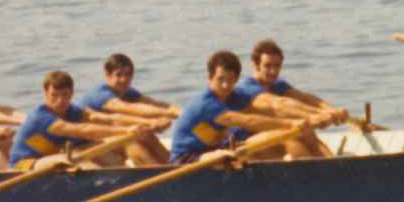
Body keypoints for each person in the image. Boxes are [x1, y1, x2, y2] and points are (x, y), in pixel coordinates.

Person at [168, 50, 304, 164]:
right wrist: (290, 124)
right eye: (220, 79)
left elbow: (266, 108)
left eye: (230, 80)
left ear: (237, 80)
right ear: (210, 77)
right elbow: (248, 121)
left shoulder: (234, 97)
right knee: (228, 155)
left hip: (215, 149)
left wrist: (307, 117)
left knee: (278, 142)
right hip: (185, 159)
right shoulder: (206, 103)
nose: (225, 86)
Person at [235, 39, 347, 159]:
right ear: (255, 64)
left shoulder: (277, 84)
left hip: (264, 139)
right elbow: (279, 104)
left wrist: (331, 111)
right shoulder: (246, 87)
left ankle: (332, 165)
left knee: (307, 133)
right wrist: (316, 115)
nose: (273, 71)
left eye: (277, 66)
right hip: (241, 145)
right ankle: (312, 168)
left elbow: (305, 98)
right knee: (289, 137)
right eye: (267, 66)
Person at [8, 71, 145, 169]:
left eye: (65, 95)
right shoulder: (41, 117)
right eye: (54, 95)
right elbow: (83, 130)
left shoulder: (73, 111)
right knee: (74, 161)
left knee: (114, 154)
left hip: (52, 157)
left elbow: (101, 118)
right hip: (25, 164)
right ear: (45, 93)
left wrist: (139, 125)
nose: (60, 101)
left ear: (72, 93)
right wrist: (125, 130)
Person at [79, 52, 173, 165]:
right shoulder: (99, 95)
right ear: (107, 75)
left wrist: (181, 113)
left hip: (104, 139)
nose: (124, 79)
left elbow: (156, 105)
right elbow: (128, 109)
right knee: (131, 142)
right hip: (83, 145)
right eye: (118, 75)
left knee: (147, 136)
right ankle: (157, 171)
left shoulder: (126, 92)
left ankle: (175, 166)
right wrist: (153, 122)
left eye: (128, 74)